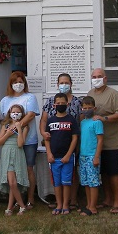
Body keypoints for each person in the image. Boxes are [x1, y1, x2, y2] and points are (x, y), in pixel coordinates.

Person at [87, 68, 118, 214]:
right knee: (102, 172)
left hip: (111, 141)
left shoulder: (113, 94)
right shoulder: (90, 94)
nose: (96, 79)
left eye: (99, 76)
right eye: (94, 76)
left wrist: (105, 118)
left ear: (105, 78)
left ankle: (117, 202)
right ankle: (107, 199)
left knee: (113, 172)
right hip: (96, 143)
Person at [40, 73, 83, 209]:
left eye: (66, 82)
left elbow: (81, 121)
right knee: (57, 174)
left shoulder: (77, 102)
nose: (64, 85)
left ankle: (72, 200)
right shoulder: (50, 101)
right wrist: (43, 133)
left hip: (71, 140)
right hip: (54, 142)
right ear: (57, 85)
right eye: (61, 83)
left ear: (71, 84)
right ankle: (60, 203)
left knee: (72, 171)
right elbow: (44, 120)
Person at [0, 71, 40, 209]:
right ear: (11, 84)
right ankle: (17, 198)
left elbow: (31, 115)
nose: (18, 84)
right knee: (13, 171)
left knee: (27, 168)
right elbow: (3, 119)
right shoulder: (5, 100)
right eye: (15, 82)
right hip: (10, 143)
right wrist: (8, 131)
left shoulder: (30, 97)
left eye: (21, 82)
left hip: (28, 140)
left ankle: (30, 198)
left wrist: (17, 127)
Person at [44, 93, 79, 215]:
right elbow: (46, 139)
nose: (60, 105)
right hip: (54, 158)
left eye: (62, 103)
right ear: (54, 105)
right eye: (57, 103)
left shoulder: (71, 120)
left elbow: (75, 139)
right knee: (57, 182)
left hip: (68, 158)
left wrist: (69, 155)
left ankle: (65, 205)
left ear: (67, 104)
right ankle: (58, 204)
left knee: (66, 181)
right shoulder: (50, 120)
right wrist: (49, 154)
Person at [0, 104, 29, 215]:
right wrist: (7, 134)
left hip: (18, 153)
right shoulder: (5, 125)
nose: (15, 114)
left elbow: (20, 144)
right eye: (13, 112)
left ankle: (10, 207)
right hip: (7, 152)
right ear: (9, 113)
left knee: (14, 182)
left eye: (18, 112)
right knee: (11, 182)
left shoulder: (25, 127)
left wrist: (19, 129)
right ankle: (22, 206)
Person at [78, 96, 103, 216]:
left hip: (92, 156)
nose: (87, 110)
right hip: (83, 155)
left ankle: (93, 207)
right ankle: (88, 204)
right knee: (86, 182)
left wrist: (97, 156)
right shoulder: (82, 122)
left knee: (93, 182)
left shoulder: (96, 122)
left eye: (89, 108)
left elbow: (100, 140)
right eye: (84, 108)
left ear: (94, 108)